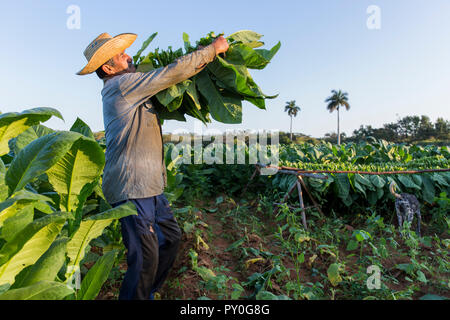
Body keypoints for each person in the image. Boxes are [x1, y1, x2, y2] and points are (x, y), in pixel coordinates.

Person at [77, 32, 229, 300]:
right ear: (108, 68)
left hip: (150, 185)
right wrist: (211, 50)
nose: (128, 55)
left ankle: (145, 293)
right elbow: (170, 74)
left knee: (170, 239)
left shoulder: (132, 88)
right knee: (145, 259)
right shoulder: (122, 85)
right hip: (132, 188)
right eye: (120, 55)